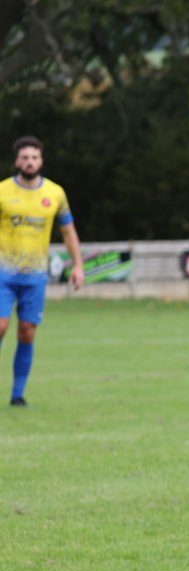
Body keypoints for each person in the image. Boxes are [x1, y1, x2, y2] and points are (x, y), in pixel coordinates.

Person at [0, 136, 85, 406]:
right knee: (0, 326)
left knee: (27, 331)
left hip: (35, 275)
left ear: (42, 160)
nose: (29, 162)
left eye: (34, 157)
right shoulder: (2, 191)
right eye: (24, 157)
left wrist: (78, 265)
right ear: (17, 161)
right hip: (3, 273)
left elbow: (68, 231)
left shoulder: (55, 193)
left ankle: (17, 394)